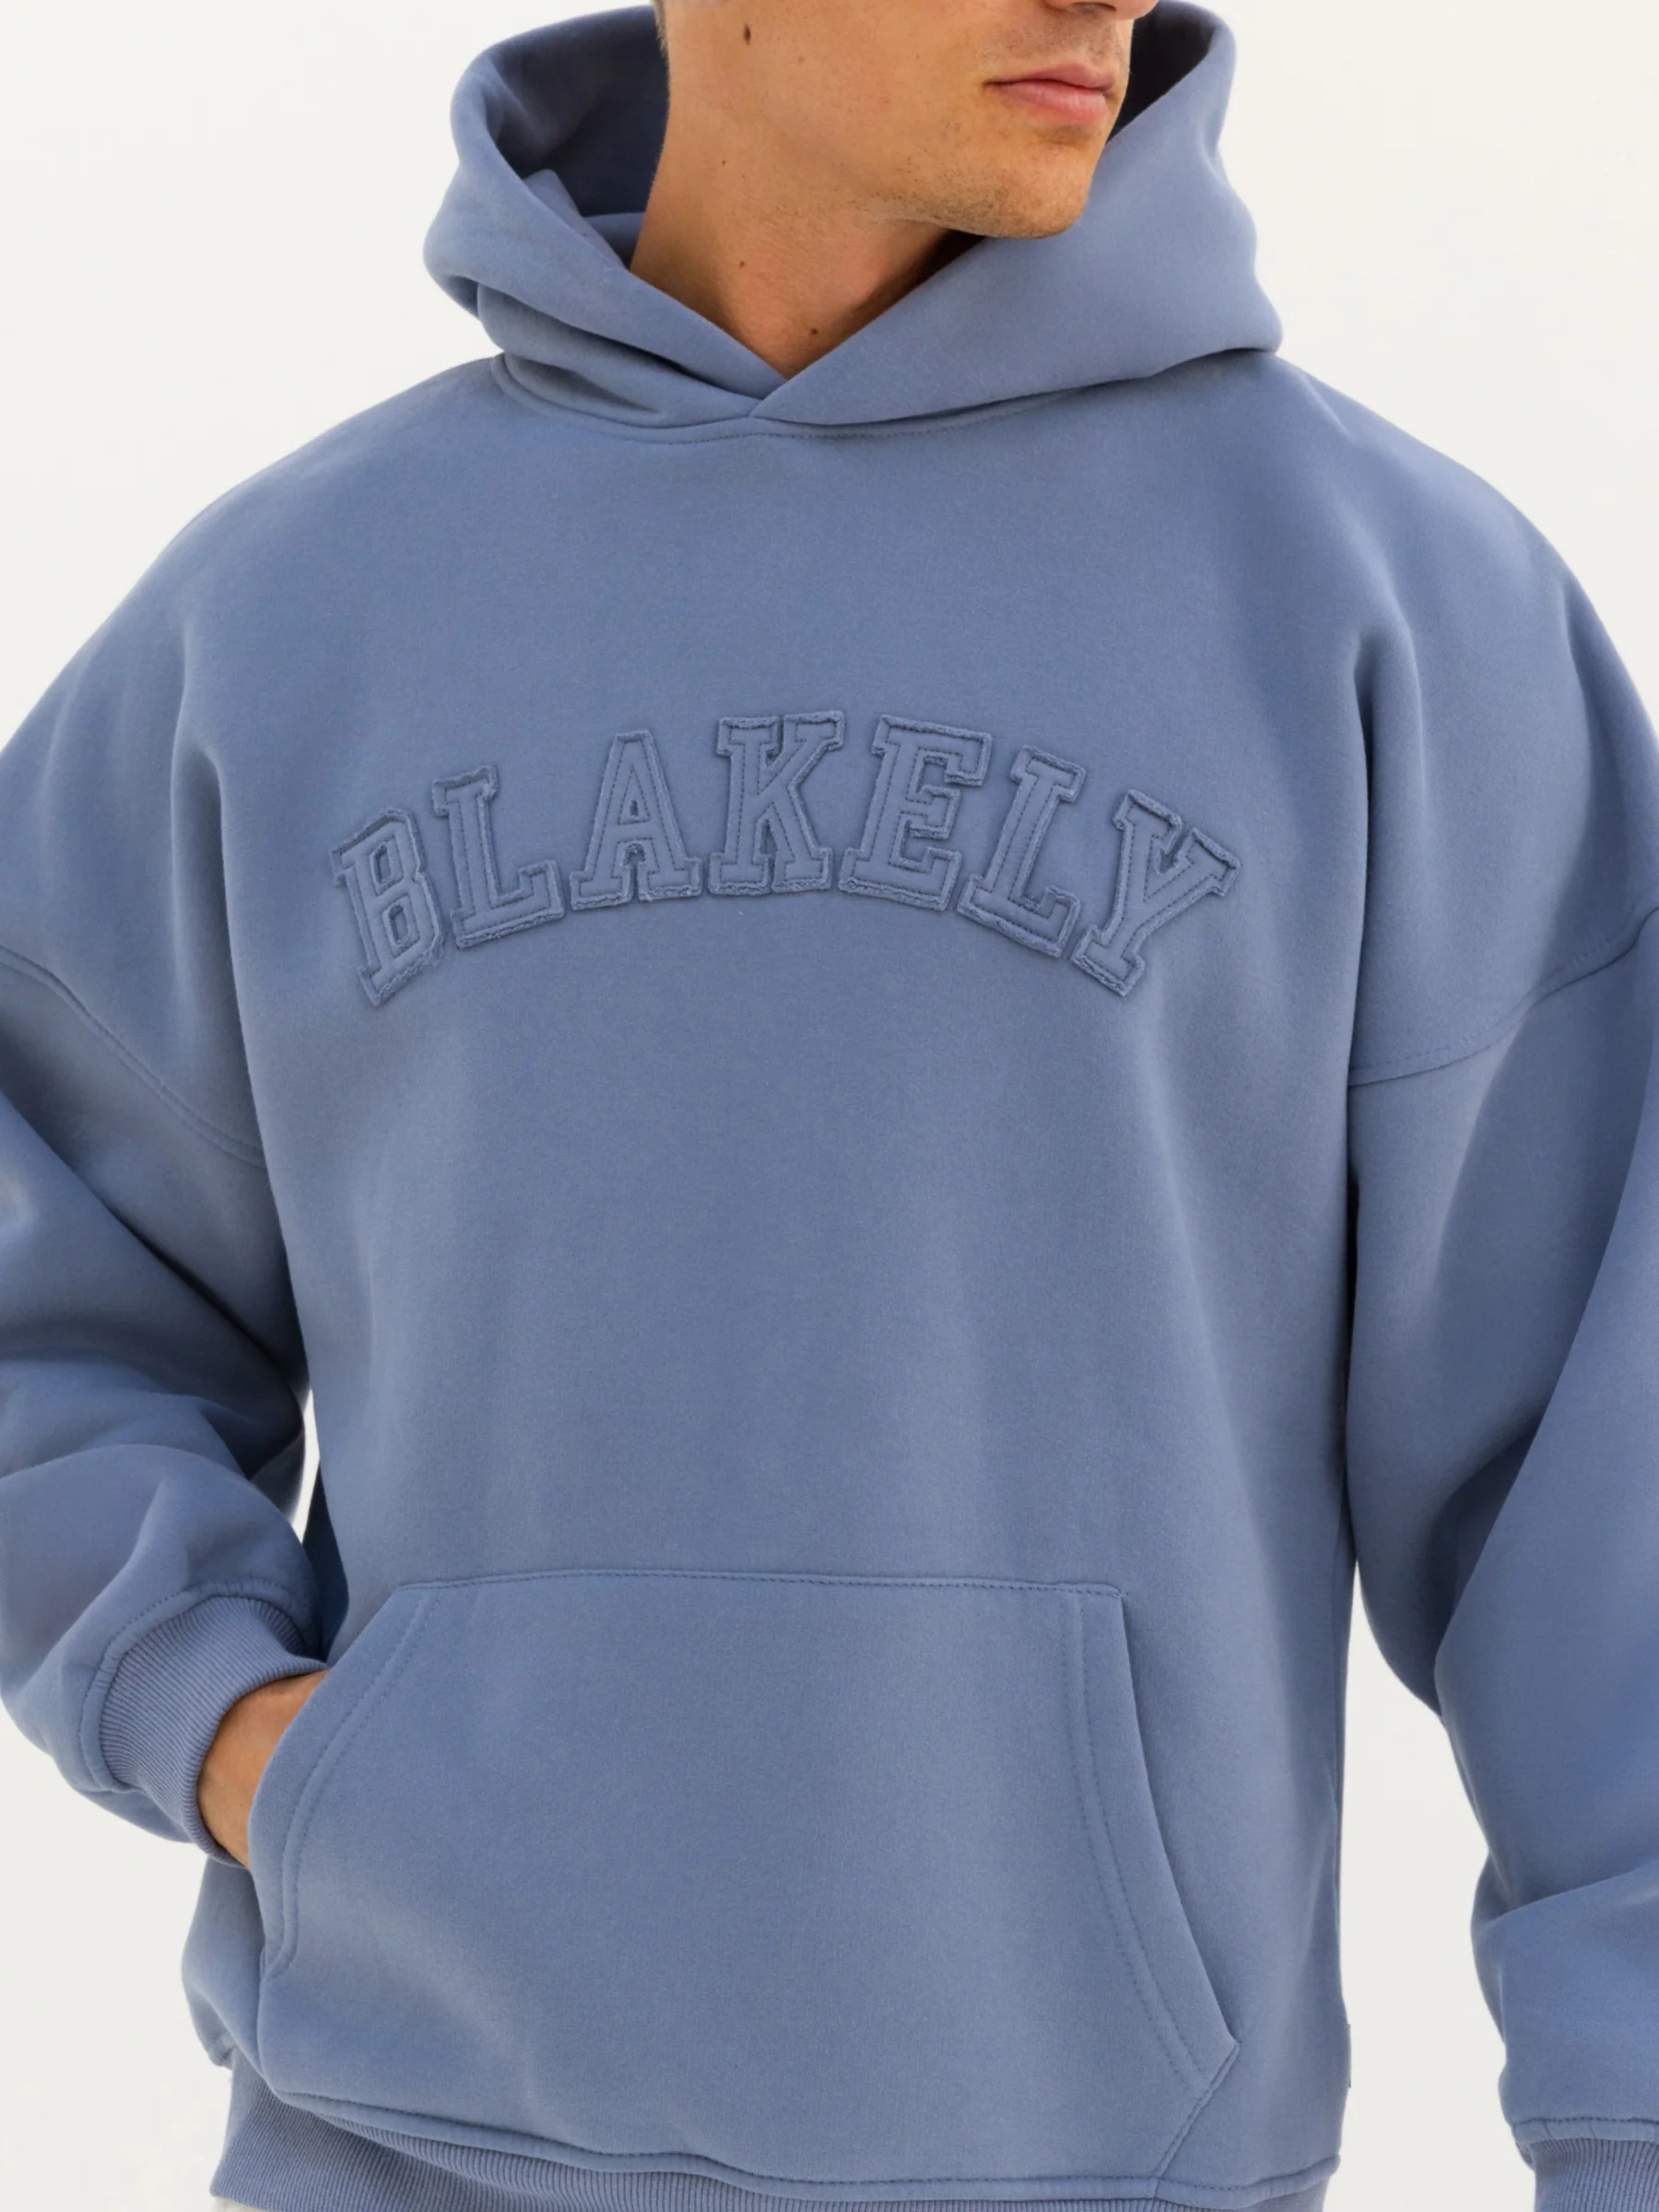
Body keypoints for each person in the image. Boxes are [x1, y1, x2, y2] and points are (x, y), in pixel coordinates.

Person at [1, 0, 1656, 2208]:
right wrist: (217, 1720)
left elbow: (1605, 1503)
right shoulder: (286, 616)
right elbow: (47, 1292)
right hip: (387, 2142)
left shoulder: (1399, 615)